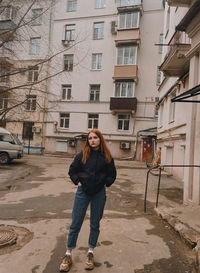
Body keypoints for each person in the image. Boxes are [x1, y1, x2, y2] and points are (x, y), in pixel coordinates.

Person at [60, 129, 117, 272]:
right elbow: (72, 171)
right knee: (76, 222)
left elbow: (112, 174)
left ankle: (90, 252)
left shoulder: (107, 156)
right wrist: (78, 181)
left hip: (99, 193)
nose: (92, 140)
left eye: (95, 138)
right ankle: (68, 254)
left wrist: (106, 183)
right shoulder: (82, 155)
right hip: (83, 192)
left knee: (94, 223)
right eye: (90, 138)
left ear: (100, 139)